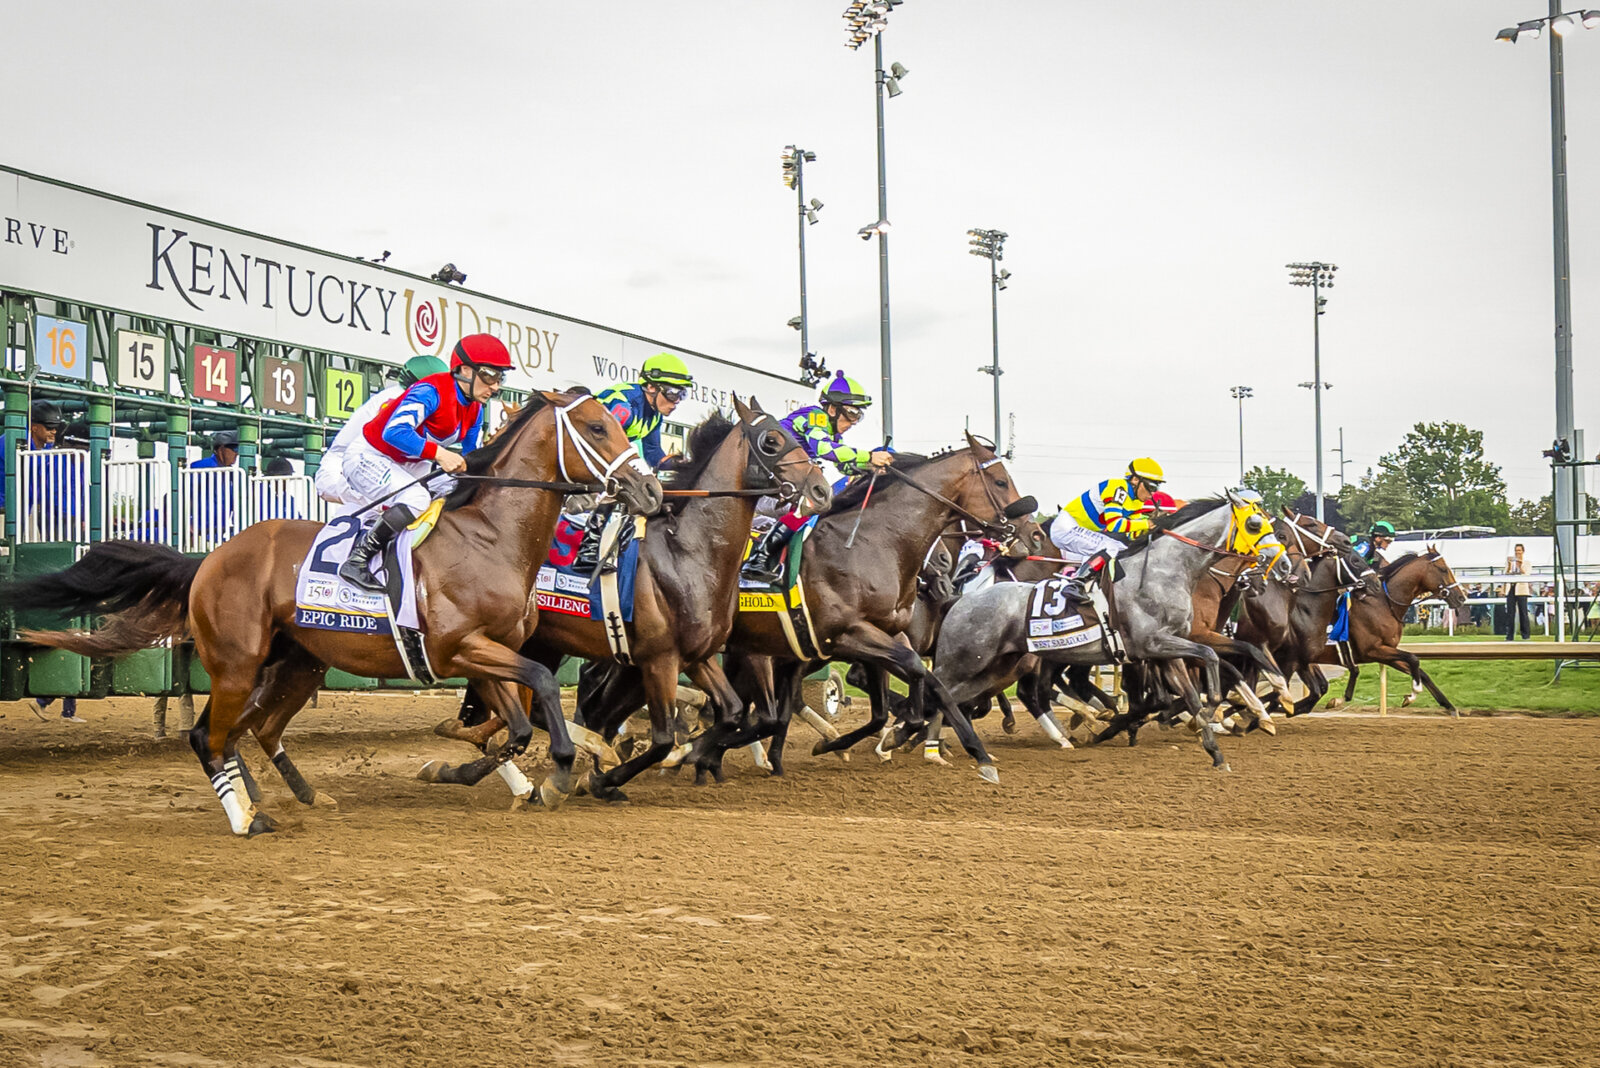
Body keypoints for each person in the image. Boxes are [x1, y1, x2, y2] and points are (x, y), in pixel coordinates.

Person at [335, 334, 510, 591]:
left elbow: (469, 457)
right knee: (416, 499)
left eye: (500, 378)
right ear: (464, 370)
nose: (495, 387)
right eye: (489, 376)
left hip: (409, 463)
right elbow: (394, 433)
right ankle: (357, 560)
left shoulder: (475, 409)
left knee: (461, 491)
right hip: (369, 455)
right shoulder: (430, 391)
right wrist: (440, 454)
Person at [740, 372, 892, 585]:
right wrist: (869, 456)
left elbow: (843, 465)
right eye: (851, 413)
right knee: (812, 504)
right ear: (832, 409)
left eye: (859, 416)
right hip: (761, 486)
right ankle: (761, 559)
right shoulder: (815, 417)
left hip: (779, 487)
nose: (854, 422)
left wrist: (869, 467)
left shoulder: (832, 432)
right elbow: (824, 449)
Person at [569, 354, 696, 570]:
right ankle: (589, 547)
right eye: (673, 393)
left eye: (682, 394)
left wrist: (685, 467)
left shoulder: (655, 415)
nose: (677, 402)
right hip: (578, 455)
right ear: (650, 387)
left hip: (600, 459)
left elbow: (654, 453)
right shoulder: (625, 407)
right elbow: (599, 444)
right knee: (623, 485)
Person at [315, 355, 448, 505]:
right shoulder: (394, 398)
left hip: (395, 464)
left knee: (452, 485)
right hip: (343, 469)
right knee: (409, 498)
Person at [1052, 457, 1166, 600]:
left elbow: (1132, 533)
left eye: (1156, 488)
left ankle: (1098, 587)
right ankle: (1077, 584)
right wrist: (1147, 524)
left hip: (1082, 532)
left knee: (1121, 548)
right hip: (1066, 527)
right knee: (1109, 547)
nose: (1152, 494)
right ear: (1135, 480)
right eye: (1151, 487)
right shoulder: (1118, 488)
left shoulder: (1136, 502)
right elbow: (1114, 524)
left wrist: (1158, 527)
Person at [1505, 542, 1532, 641]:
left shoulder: (1527, 562)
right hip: (1511, 587)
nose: (1517, 552)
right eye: (1516, 551)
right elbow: (1506, 574)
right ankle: (1509, 635)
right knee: (1510, 613)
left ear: (1523, 551)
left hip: (1521, 589)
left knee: (1523, 612)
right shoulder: (1511, 562)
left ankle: (1525, 635)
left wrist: (1520, 566)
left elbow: (1527, 574)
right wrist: (1509, 565)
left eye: (1519, 550)